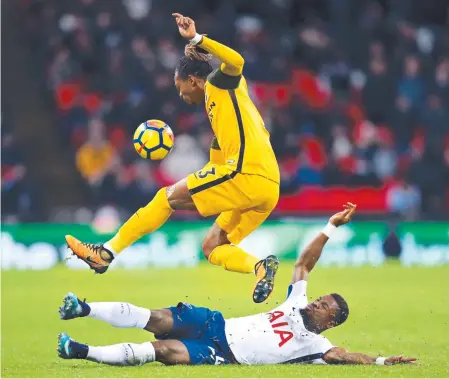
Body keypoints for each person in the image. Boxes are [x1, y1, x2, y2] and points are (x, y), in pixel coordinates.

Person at [65, 13, 281, 303]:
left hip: (246, 173)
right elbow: (216, 167)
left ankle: (104, 253)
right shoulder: (222, 112)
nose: (180, 94)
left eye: (180, 87)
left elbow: (237, 62)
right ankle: (259, 267)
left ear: (194, 80)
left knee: (165, 198)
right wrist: (192, 189)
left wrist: (196, 39)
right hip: (267, 187)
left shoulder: (219, 84)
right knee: (213, 246)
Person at [57, 203, 416, 367]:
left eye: (325, 307)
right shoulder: (296, 302)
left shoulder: (316, 345)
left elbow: (345, 356)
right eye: (321, 299)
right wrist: (330, 227)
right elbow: (305, 263)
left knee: (162, 350)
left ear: (331, 323)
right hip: (215, 324)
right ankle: (82, 308)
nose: (317, 303)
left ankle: (80, 350)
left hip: (222, 355)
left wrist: (382, 361)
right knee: (156, 318)